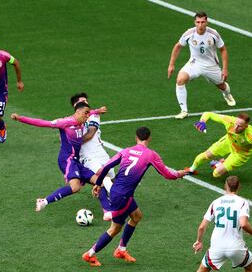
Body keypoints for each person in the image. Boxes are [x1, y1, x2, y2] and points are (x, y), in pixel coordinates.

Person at [82, 127, 186, 266]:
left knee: (137, 216)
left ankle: (121, 249)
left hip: (118, 191)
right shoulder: (151, 155)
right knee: (115, 229)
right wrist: (179, 174)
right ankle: (89, 254)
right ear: (149, 138)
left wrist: (98, 184)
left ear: (136, 137)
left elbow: (106, 167)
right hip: (123, 196)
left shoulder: (126, 151)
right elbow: (167, 174)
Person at [11, 102, 104, 212]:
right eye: (86, 113)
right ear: (77, 112)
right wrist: (20, 118)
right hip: (67, 160)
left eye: (89, 113)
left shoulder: (81, 119)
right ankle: (44, 201)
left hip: (76, 161)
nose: (88, 116)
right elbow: (42, 123)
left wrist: (97, 111)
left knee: (100, 182)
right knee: (75, 187)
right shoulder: (65, 122)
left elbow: (89, 112)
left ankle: (108, 211)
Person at [167, 11, 235, 120]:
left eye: (202, 22)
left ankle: (227, 95)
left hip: (211, 65)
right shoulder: (189, 34)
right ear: (194, 22)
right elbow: (178, 46)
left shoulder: (213, 34)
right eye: (198, 22)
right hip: (195, 63)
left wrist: (225, 69)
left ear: (206, 22)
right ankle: (184, 111)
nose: (200, 25)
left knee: (221, 85)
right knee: (180, 80)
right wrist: (171, 65)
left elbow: (223, 50)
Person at [187, 112, 252, 186]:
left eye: (239, 126)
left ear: (246, 126)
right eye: (235, 124)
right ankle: (191, 170)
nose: (235, 128)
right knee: (205, 156)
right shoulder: (229, 120)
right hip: (228, 142)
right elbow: (208, 114)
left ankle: (219, 164)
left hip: (241, 153)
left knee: (216, 174)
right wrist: (202, 121)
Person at [192, 176, 252, 272]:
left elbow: (202, 227)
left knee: (203, 268)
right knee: (249, 265)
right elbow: (243, 224)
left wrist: (199, 241)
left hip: (217, 246)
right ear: (239, 186)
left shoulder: (215, 202)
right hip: (235, 247)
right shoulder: (242, 202)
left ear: (225, 186)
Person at [71, 92, 115, 220]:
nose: (86, 104)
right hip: (88, 158)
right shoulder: (70, 121)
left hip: (102, 155)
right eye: (83, 102)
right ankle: (109, 209)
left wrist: (73, 142)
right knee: (102, 179)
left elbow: (90, 134)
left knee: (111, 181)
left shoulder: (94, 116)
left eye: (87, 101)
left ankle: (113, 203)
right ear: (76, 106)